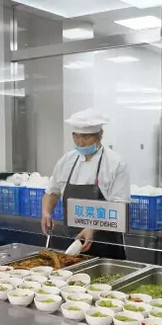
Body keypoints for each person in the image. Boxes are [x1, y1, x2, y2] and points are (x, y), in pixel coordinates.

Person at [41, 109, 130, 259]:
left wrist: (92, 228)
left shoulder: (115, 163)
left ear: (100, 135)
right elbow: (52, 192)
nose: (80, 142)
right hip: (72, 241)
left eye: (86, 137)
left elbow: (120, 206)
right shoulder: (66, 161)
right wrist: (46, 212)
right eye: (75, 136)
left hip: (105, 246)